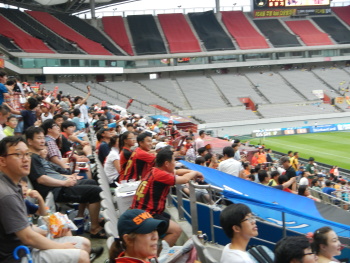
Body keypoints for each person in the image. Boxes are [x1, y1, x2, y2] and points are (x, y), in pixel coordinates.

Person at [0, 136, 90, 263]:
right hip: (18, 256)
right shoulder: (6, 194)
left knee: (84, 243)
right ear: (2, 161)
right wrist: (61, 247)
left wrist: (48, 230)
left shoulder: (13, 185)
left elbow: (27, 229)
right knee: (82, 257)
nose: (25, 159)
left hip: (26, 247)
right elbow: (28, 238)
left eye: (27, 154)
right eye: (18, 154)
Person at [26, 126, 106, 239]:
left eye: (43, 138)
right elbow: (41, 179)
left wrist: (69, 177)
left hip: (61, 184)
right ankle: (95, 228)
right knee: (95, 191)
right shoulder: (32, 158)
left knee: (91, 182)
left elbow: (50, 173)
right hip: (56, 190)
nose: (43, 141)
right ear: (29, 141)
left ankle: (85, 217)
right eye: (39, 138)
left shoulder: (38, 157)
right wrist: (64, 183)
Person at [131, 148, 203, 246]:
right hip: (146, 214)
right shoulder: (160, 175)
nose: (175, 163)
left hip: (140, 211)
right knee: (176, 231)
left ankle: (157, 244)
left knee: (167, 218)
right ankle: (157, 257)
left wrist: (193, 171)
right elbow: (185, 179)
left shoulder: (155, 171)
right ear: (166, 163)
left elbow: (177, 171)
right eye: (173, 160)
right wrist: (195, 173)